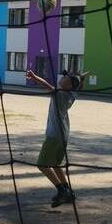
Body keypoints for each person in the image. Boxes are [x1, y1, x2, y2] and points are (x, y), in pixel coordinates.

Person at [26, 69, 87, 207]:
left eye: (66, 78)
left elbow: (47, 86)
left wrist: (34, 77)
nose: (63, 77)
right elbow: (76, 86)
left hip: (54, 136)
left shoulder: (60, 95)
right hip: (63, 136)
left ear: (69, 85)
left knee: (42, 165)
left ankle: (62, 191)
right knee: (55, 164)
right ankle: (68, 191)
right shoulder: (71, 94)